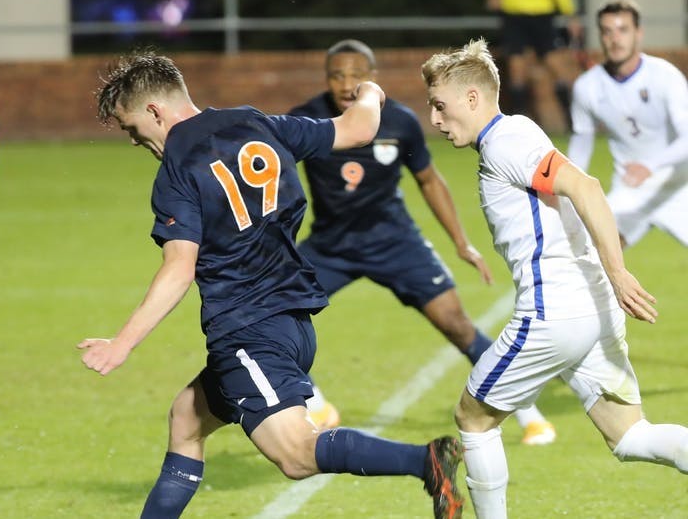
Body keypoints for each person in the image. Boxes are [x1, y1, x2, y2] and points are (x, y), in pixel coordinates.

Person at [80, 50, 465, 519]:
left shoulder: (177, 170)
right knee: (186, 420)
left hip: (247, 332)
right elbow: (359, 128)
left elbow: (179, 269)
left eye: (131, 128)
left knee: (296, 456)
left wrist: (122, 344)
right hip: (291, 323)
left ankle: (425, 462)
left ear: (155, 111)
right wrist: (369, 92)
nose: (136, 141)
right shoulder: (258, 123)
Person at [422, 38, 688, 518]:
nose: (436, 120)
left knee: (473, 418)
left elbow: (584, 186)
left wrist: (619, 270)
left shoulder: (507, 141)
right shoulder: (514, 131)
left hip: (555, 312)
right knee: (630, 436)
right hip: (590, 308)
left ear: (473, 98)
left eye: (440, 106)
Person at [289, 39, 556, 445]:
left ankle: (528, 414)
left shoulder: (398, 122)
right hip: (330, 247)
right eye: (336, 75)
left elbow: (430, 180)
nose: (346, 83)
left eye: (356, 74)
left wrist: (461, 243)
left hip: (396, 242)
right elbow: (274, 175)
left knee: (456, 324)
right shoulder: (308, 120)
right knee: (272, 314)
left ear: (372, 78)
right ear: (325, 79)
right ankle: (317, 404)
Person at [567, 0, 688, 249]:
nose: (615, 39)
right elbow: (581, 143)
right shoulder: (587, 86)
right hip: (631, 189)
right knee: (588, 254)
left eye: (623, 30)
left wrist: (650, 165)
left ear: (638, 33)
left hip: (679, 186)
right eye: (607, 31)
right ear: (600, 36)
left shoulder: (664, 76)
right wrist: (568, 187)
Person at [484, 0, 582, 126]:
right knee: (517, 68)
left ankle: (573, 119)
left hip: (543, 16)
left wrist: (570, 14)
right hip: (514, 15)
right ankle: (515, 123)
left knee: (556, 64)